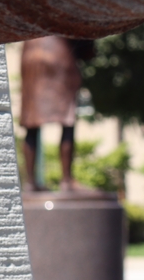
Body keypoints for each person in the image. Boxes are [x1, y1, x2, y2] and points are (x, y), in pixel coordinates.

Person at [20, 36, 94, 191]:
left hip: (30, 54)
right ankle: (66, 180)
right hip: (58, 52)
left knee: (31, 122)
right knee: (67, 119)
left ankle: (30, 182)